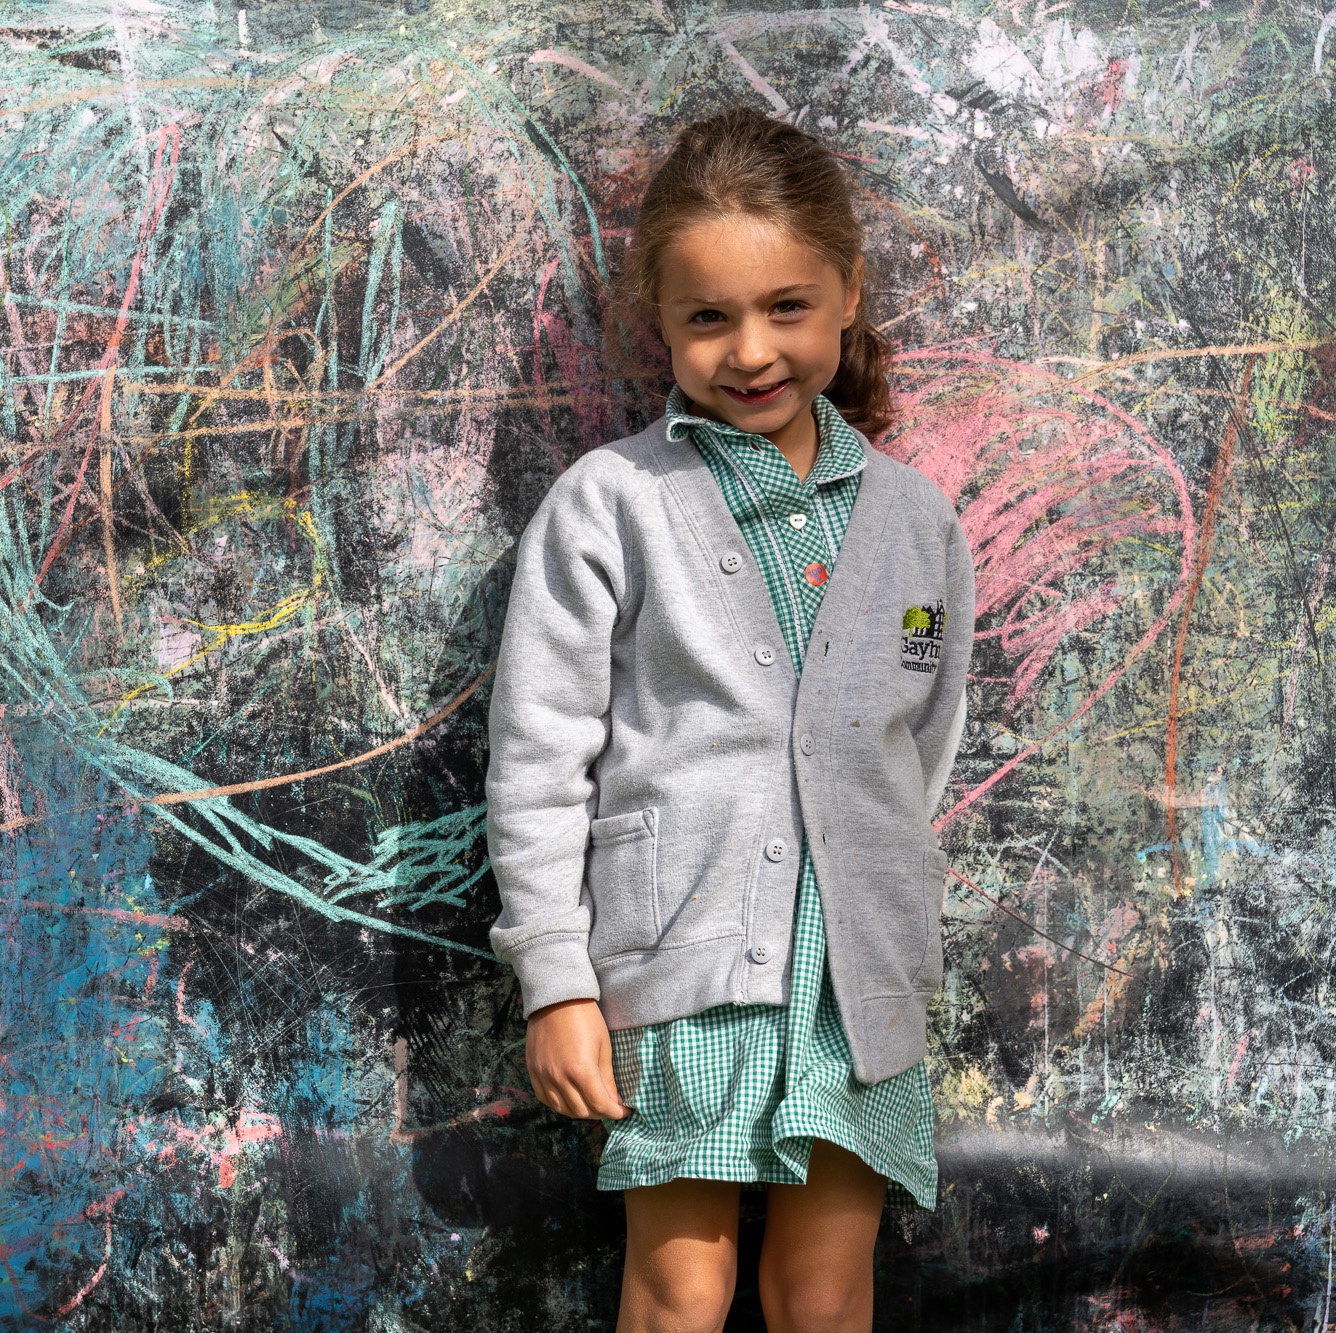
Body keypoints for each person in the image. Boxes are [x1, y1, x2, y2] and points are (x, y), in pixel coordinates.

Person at [484, 107, 975, 1333]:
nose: (750, 351)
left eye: (786, 307)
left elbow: (920, 741)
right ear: (657, 321)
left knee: (823, 1290)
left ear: (846, 293)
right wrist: (555, 981)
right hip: (685, 963)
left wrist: (882, 896)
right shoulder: (612, 503)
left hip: (856, 983)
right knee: (679, 1286)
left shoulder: (914, 523)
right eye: (707, 317)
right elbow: (539, 756)